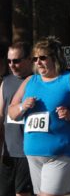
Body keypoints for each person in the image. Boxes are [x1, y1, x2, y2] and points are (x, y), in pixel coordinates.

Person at [8, 36, 70, 196]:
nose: (37, 62)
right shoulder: (30, 81)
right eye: (35, 58)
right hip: (34, 154)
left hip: (64, 153)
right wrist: (22, 106)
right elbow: (12, 112)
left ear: (55, 58)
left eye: (42, 58)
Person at [0, 42, 33, 196]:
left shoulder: (37, 81)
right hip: (7, 153)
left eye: (17, 60)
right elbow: (1, 115)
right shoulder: (5, 81)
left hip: (28, 152)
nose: (12, 65)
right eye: (9, 61)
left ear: (28, 59)